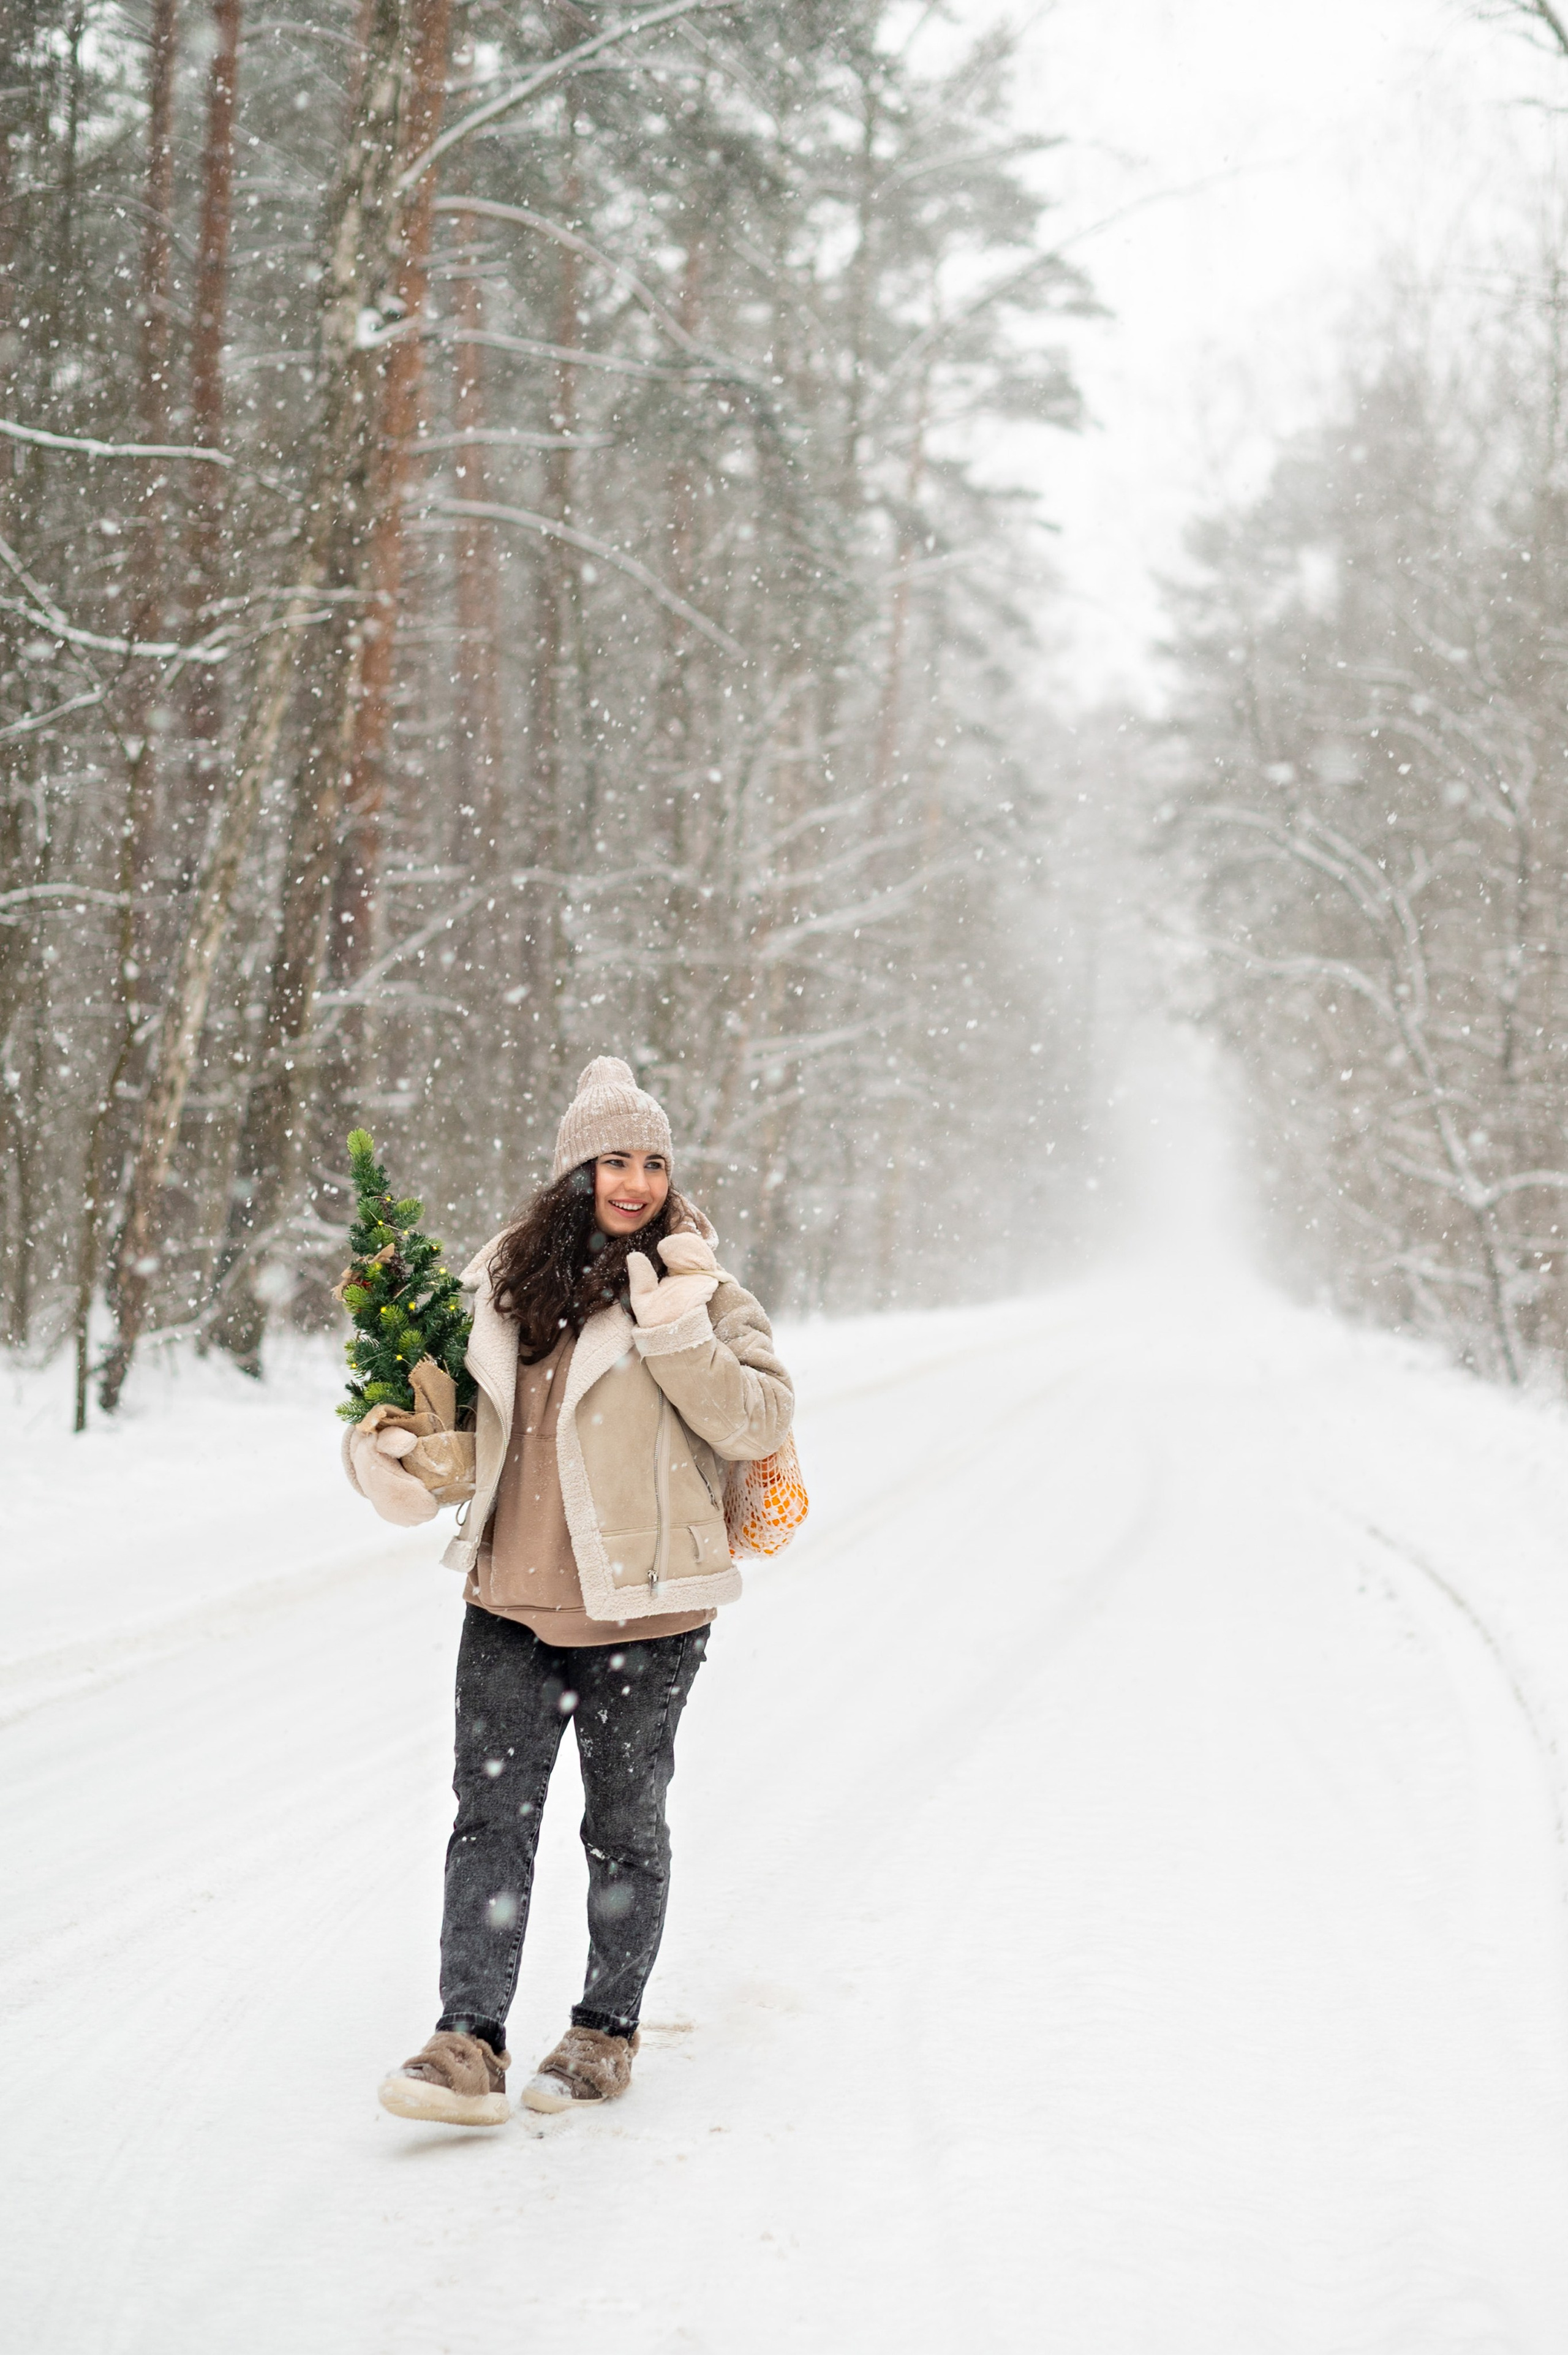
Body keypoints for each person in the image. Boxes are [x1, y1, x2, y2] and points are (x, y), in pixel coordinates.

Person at [345, 1056, 793, 2126]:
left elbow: (758, 1422)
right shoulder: (501, 1290)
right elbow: (470, 1450)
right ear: (573, 1170)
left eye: (652, 1162)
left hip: (649, 1606)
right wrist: (403, 1447)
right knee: (489, 1821)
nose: (634, 1182)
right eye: (613, 1160)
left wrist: (676, 1327)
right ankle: (469, 2040)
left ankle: (603, 2031)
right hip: (509, 1598)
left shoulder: (704, 1290)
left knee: (624, 1826)